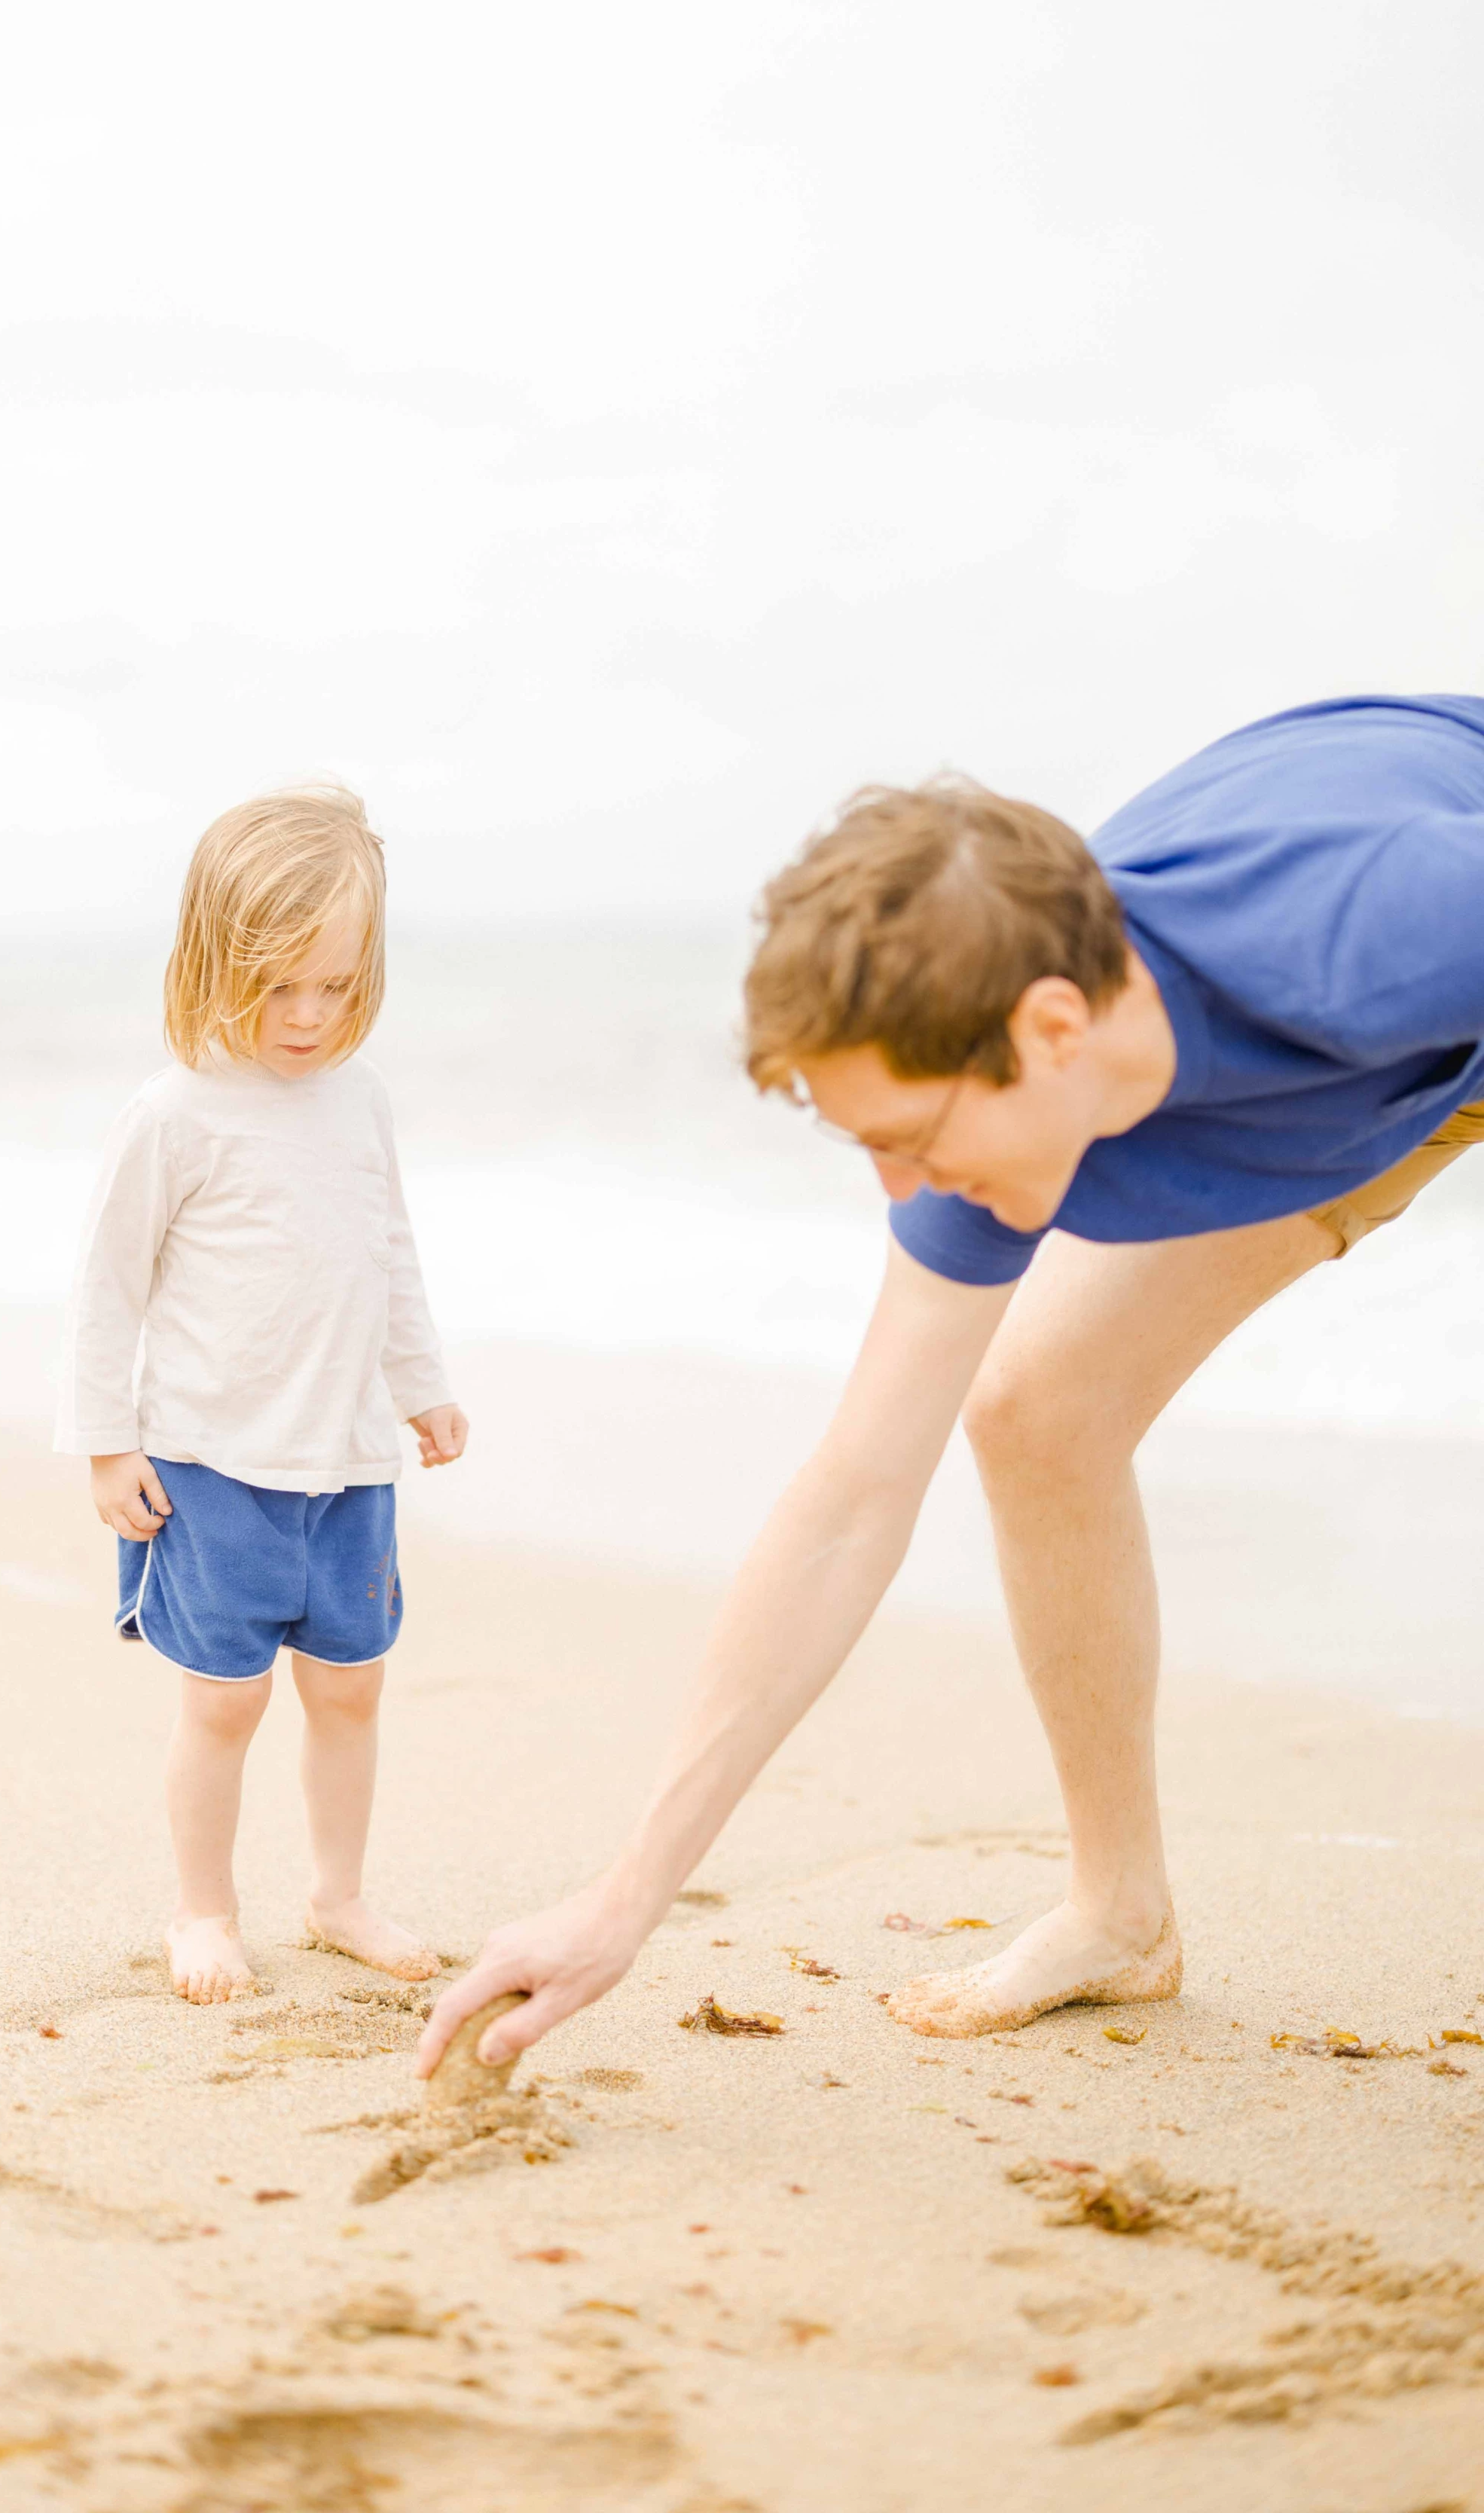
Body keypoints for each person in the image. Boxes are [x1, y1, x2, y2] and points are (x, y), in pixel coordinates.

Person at [419, 690, 1484, 2073]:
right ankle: (1121, 1915)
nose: (903, 1189)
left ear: (1051, 1030)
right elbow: (855, 1495)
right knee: (1038, 1415)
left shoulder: (1375, 925)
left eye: (914, 1135)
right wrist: (623, 1901)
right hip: (1356, 1086)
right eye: (868, 1143)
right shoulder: (1018, 1098)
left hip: (1417, 996)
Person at [56, 785, 467, 2004]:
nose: (308, 1016)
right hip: (211, 1463)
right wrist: (106, 1445)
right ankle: (204, 1911)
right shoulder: (175, 1112)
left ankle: (339, 1897)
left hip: (349, 1461)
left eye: (336, 986)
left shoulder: (360, 1097)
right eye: (278, 985)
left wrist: (422, 1385)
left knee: (350, 1686)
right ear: (211, 958)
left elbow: (388, 1253)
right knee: (226, 1704)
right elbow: (107, 1288)